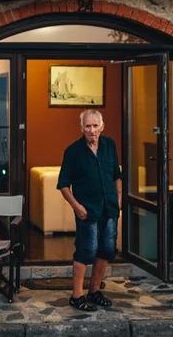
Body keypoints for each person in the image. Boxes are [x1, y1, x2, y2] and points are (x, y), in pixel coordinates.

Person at [57, 109, 122, 311]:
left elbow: (116, 174)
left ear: (102, 127)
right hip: (87, 211)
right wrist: (77, 207)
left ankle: (94, 291)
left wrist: (119, 197)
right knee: (86, 251)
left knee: (106, 250)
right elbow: (63, 185)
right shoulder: (73, 151)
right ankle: (76, 296)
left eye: (95, 126)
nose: (91, 130)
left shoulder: (109, 145)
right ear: (81, 128)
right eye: (88, 126)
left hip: (110, 208)